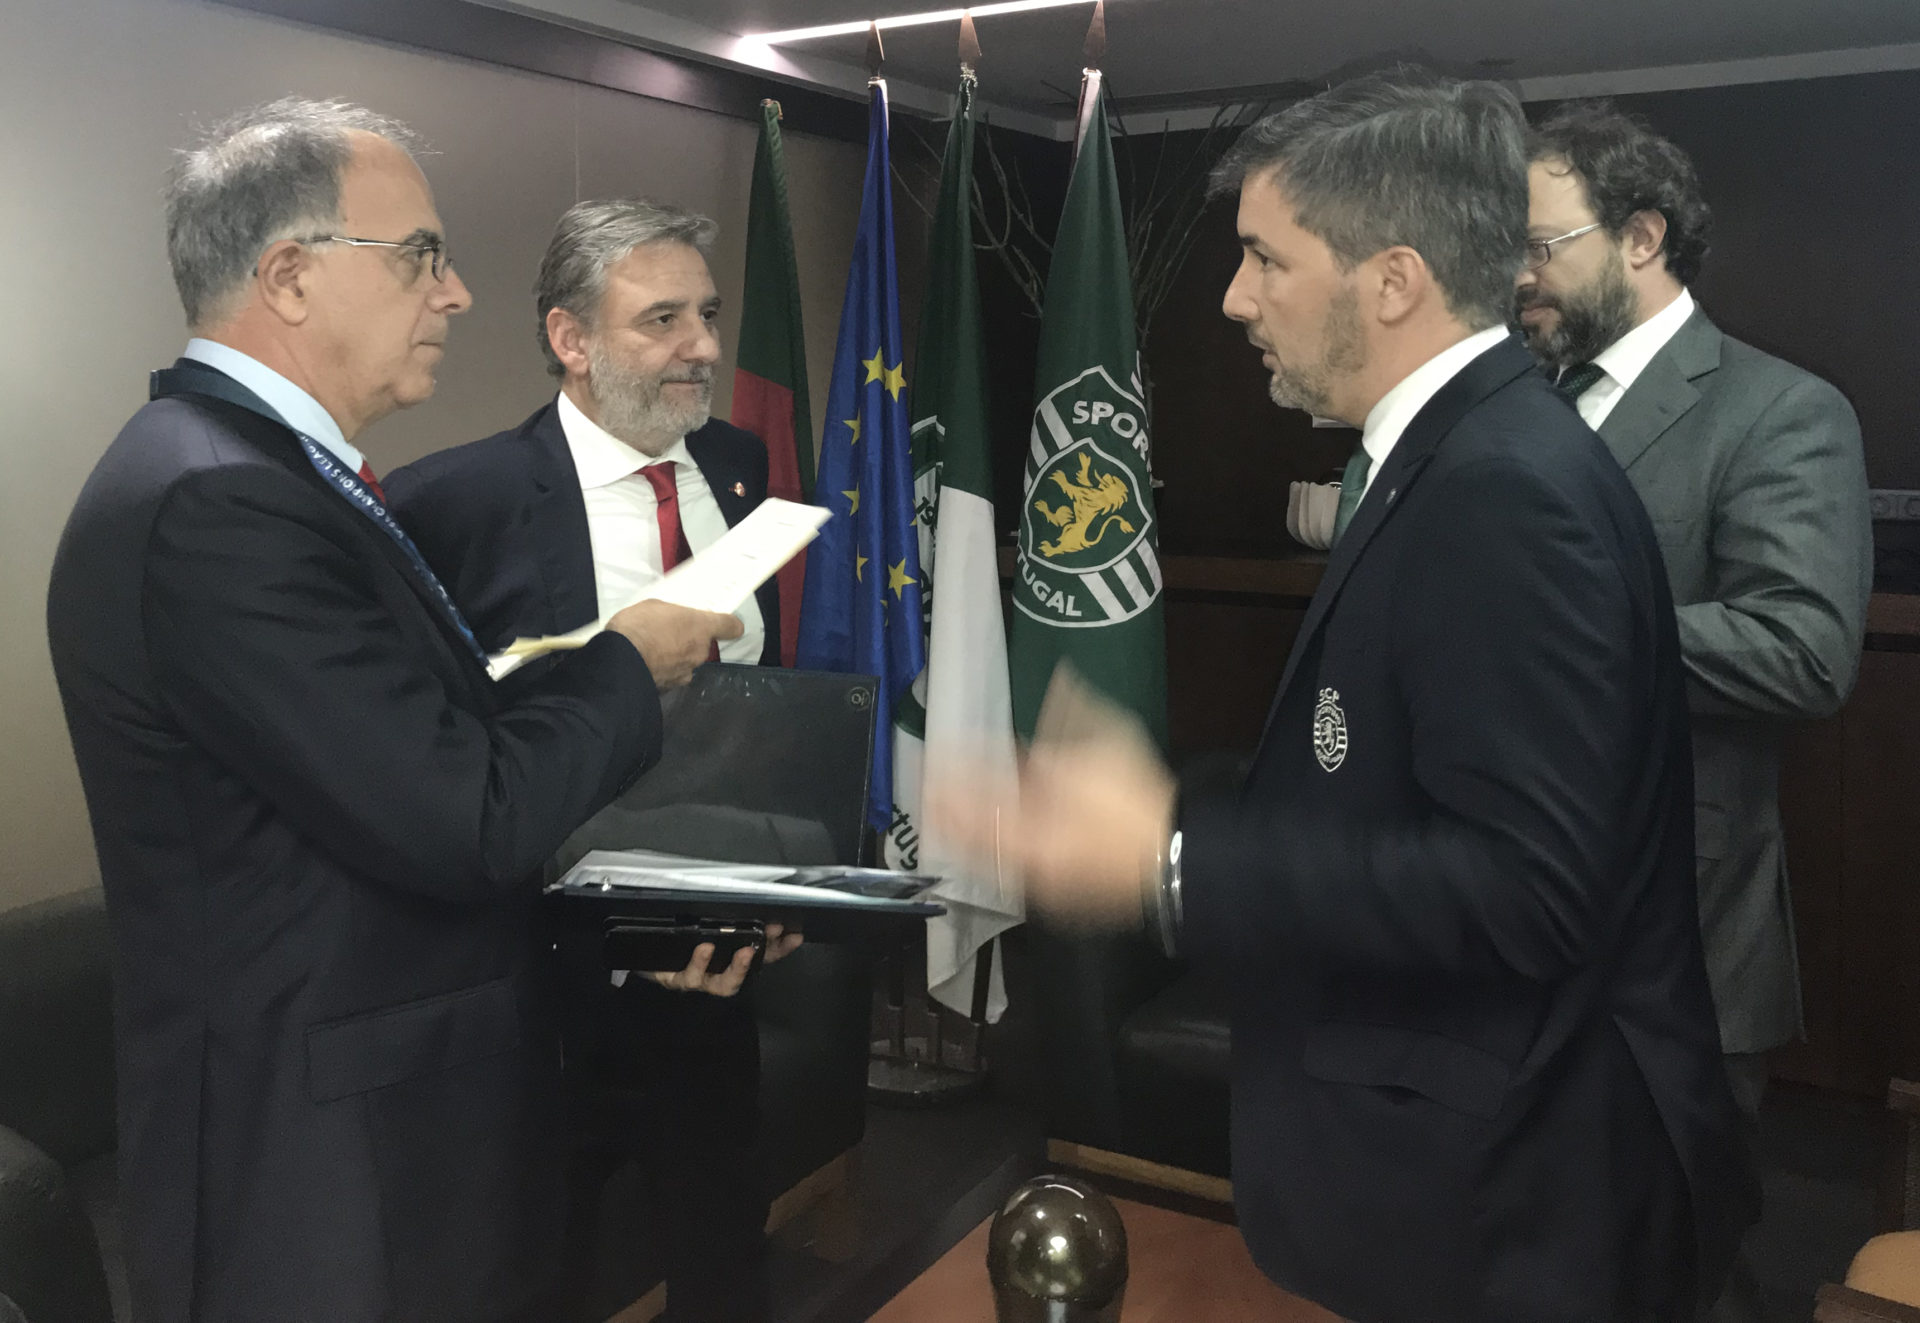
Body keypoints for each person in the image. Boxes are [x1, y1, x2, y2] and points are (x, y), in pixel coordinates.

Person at [933, 71, 1756, 1323]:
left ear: (1393, 281)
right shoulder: (1461, 451)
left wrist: (1166, 862)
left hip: (1512, 1204)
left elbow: (1529, 891)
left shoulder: (1504, 490)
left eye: (1266, 258)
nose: (1233, 296)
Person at [44, 99, 746, 1323]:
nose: (456, 293)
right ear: (290, 277)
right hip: (325, 1178)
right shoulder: (219, 505)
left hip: (396, 1131)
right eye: (422, 255)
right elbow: (464, 814)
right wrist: (628, 662)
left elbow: (411, 758)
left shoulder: (271, 477)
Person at [386, 199, 789, 1323]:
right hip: (542, 990)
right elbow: (442, 761)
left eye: (707, 313)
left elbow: (752, 710)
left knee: (725, 1255)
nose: (702, 345)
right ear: (570, 338)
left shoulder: (738, 464)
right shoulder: (452, 505)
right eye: (663, 319)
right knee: (540, 1274)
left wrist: (775, 879)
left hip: (711, 967)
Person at [1517, 100, 1873, 1321]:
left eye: (1540, 246)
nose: (1518, 278)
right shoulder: (1524, 407)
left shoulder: (1780, 411)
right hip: (1508, 919)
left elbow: (1803, 652)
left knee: (1670, 1269)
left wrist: (1557, 634)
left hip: (1681, 943)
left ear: (1641, 237)